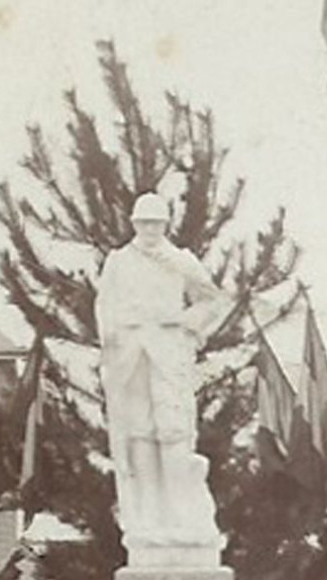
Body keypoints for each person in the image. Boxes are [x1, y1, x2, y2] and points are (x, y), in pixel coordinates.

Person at [95, 191, 228, 554]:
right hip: (131, 358)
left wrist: (183, 322)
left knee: (172, 434)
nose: (150, 229)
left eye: (156, 222)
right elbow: (105, 305)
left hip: (169, 354)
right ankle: (147, 521)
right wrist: (113, 339)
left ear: (166, 224)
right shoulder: (118, 261)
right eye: (143, 222)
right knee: (139, 435)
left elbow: (213, 300)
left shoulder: (180, 260)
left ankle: (183, 519)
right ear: (134, 224)